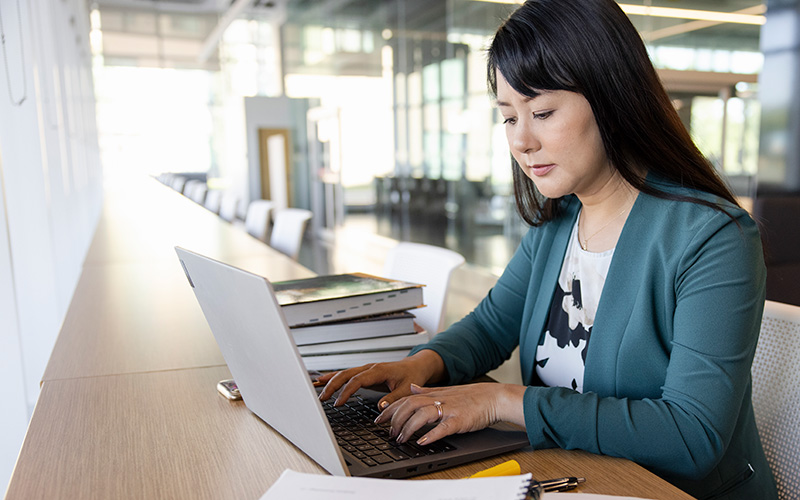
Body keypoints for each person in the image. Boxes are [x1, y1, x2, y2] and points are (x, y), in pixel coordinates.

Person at [318, 1, 777, 497]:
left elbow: (693, 435)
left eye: (541, 112)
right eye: (508, 118)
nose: (522, 141)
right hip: (575, 476)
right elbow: (492, 326)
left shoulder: (713, 237)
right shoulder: (558, 221)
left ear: (612, 98)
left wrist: (503, 402)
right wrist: (420, 365)